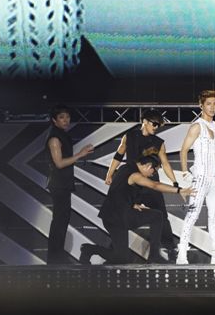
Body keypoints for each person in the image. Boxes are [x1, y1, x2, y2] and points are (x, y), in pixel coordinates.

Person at [80, 155, 195, 264]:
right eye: (153, 171)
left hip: (117, 215)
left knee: (156, 216)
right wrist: (180, 190)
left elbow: (120, 190)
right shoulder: (135, 175)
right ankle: (89, 249)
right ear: (148, 166)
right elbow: (154, 185)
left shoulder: (124, 168)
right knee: (121, 258)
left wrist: (132, 204)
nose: (152, 174)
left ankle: (154, 256)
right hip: (117, 219)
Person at [105, 109, 180, 262]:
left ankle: (170, 248)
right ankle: (115, 250)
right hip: (131, 181)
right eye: (154, 123)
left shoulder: (158, 143)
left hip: (150, 182)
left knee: (161, 215)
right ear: (144, 121)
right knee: (122, 213)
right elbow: (119, 154)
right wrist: (110, 173)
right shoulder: (130, 136)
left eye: (159, 125)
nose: (156, 127)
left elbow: (165, 163)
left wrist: (175, 182)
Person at [177, 90, 215, 264]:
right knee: (193, 214)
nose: (212, 107)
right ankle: (182, 254)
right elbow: (183, 150)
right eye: (208, 104)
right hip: (200, 177)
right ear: (201, 105)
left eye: (214, 104)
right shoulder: (197, 126)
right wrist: (185, 170)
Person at [46, 104, 94, 264]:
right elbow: (59, 163)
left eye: (67, 117)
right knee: (59, 219)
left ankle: (57, 255)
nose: (66, 120)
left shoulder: (63, 136)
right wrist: (80, 154)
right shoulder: (54, 138)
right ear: (54, 120)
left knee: (63, 219)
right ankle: (54, 257)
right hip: (58, 184)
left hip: (64, 183)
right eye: (61, 117)